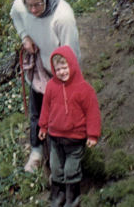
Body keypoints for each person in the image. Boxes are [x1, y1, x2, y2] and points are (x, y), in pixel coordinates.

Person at [10, 0, 80, 172]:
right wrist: (25, 36)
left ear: (46, 0)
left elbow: (70, 52)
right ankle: (36, 152)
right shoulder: (22, 7)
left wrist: (65, 79)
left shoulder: (63, 17)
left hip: (60, 69)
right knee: (37, 111)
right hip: (41, 63)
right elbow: (14, 12)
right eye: (29, 6)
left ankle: (62, 158)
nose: (33, 10)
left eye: (37, 5)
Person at [38, 46, 101, 207]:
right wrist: (43, 127)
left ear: (72, 65)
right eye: (58, 69)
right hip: (55, 138)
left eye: (65, 68)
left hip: (75, 139)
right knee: (56, 169)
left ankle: (73, 198)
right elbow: (45, 108)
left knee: (70, 170)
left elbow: (93, 113)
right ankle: (57, 196)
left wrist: (93, 135)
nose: (62, 72)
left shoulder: (84, 89)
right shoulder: (52, 86)